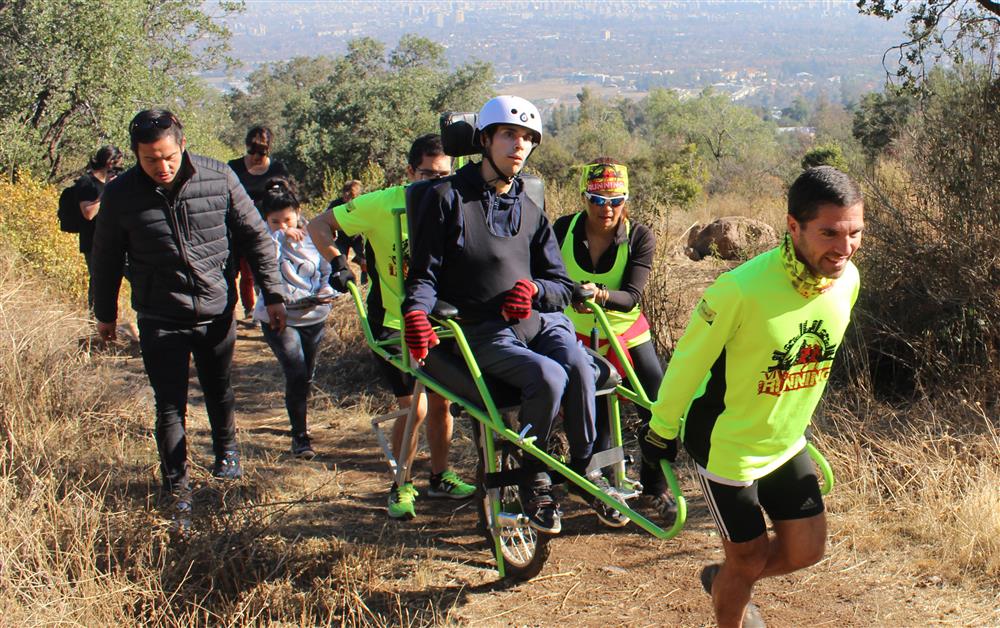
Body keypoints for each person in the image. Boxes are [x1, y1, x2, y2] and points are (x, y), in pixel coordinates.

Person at [639, 166, 864, 628]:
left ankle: (725, 580)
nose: (843, 249)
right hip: (728, 444)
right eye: (829, 234)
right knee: (750, 555)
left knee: (807, 550)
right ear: (793, 226)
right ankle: (732, 601)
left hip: (785, 442)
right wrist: (660, 430)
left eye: (855, 233)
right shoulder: (739, 288)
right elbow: (688, 362)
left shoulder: (847, 280)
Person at [403, 95, 620, 535]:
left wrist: (535, 290)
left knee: (580, 365)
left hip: (538, 324)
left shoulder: (530, 210)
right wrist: (417, 314)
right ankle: (534, 477)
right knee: (549, 377)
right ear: (484, 139)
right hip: (482, 329)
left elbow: (561, 285)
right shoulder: (445, 199)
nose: (518, 146)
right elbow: (424, 277)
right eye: (508, 135)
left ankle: (585, 468)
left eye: (526, 138)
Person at [91, 109, 287, 518]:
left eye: (168, 157)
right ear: (136, 155)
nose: (161, 167)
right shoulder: (121, 194)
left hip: (216, 310)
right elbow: (106, 258)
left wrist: (274, 294)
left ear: (182, 145)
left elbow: (255, 237)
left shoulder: (218, 178)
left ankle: (227, 454)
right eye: (150, 160)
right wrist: (105, 314)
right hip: (159, 314)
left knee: (219, 389)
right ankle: (177, 487)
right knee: (169, 404)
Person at [307, 134, 476, 520]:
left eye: (443, 176)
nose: (435, 183)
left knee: (442, 401)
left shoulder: (455, 203)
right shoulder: (382, 203)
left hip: (440, 320)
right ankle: (401, 484)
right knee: (411, 407)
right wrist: (338, 263)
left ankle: (440, 476)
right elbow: (320, 224)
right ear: (409, 170)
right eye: (427, 174)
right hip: (393, 321)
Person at [552, 158, 676, 522]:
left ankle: (656, 487)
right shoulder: (563, 229)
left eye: (616, 201)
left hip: (626, 333)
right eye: (597, 200)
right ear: (584, 198)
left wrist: (598, 294)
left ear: (626, 200)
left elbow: (632, 294)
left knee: (658, 409)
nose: (606, 209)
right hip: (575, 335)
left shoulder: (639, 236)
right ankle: (602, 485)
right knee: (596, 416)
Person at [257, 178, 335, 460]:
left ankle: (298, 411)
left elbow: (328, 271)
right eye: (274, 221)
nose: (283, 226)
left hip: (313, 314)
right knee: (296, 370)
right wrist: (280, 237)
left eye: (287, 220)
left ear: (298, 213)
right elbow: (264, 268)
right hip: (279, 318)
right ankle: (300, 436)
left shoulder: (315, 237)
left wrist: (327, 292)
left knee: (307, 373)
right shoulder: (264, 241)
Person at [227, 126, 290, 320]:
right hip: (234, 228)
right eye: (251, 151)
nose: (255, 156)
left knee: (255, 272)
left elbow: (284, 199)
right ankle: (235, 310)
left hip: (263, 230)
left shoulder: (277, 169)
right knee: (231, 272)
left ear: (268, 149)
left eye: (261, 152)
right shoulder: (233, 167)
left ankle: (260, 307)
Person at [75, 145, 124, 309]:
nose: (118, 170)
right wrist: (106, 192)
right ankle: (95, 320)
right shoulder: (86, 182)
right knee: (99, 281)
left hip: (116, 239)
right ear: (109, 163)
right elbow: (88, 213)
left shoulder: (116, 181)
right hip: (93, 241)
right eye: (117, 165)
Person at [326, 180, 368, 285]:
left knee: (365, 260)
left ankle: (365, 281)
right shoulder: (336, 204)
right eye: (345, 192)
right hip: (341, 238)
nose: (346, 195)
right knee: (340, 262)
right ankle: (348, 283)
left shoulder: (360, 203)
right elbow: (325, 219)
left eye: (350, 194)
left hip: (357, 237)